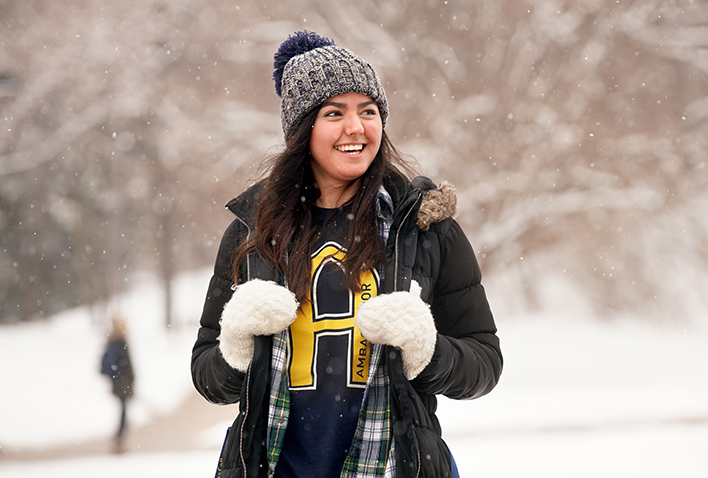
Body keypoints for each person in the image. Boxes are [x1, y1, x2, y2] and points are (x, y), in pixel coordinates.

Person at [191, 30, 502, 478]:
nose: (356, 128)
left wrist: (427, 352)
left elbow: (485, 364)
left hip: (398, 466)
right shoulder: (252, 234)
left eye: (368, 111)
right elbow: (208, 378)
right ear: (303, 129)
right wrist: (235, 346)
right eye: (334, 113)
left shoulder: (424, 228)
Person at [100, 316, 135, 454]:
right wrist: (121, 380)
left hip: (124, 384)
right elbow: (116, 365)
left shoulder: (118, 342)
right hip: (122, 385)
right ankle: (118, 443)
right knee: (123, 414)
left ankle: (119, 442)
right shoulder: (117, 343)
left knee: (124, 413)